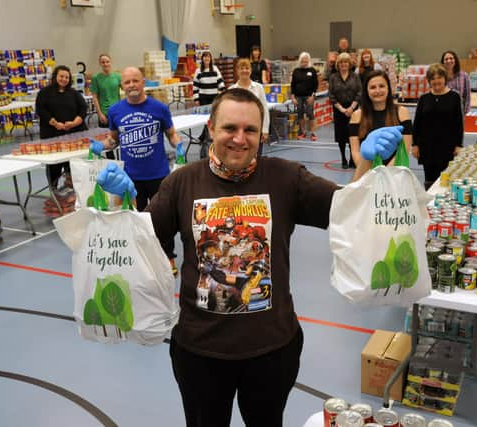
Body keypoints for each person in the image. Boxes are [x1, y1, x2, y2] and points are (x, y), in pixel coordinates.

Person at [95, 88, 404, 427]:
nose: (239, 139)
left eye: (250, 130)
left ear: (261, 134)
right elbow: (140, 242)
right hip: (200, 351)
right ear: (211, 128)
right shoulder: (181, 182)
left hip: (272, 349)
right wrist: (117, 203)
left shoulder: (286, 177)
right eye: (230, 128)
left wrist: (365, 164)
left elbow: (346, 210)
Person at [89, 67, 182, 211]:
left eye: (135, 81)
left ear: (143, 83)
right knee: (136, 221)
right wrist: (102, 145)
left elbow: (171, 134)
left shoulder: (160, 108)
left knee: (162, 219)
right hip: (130, 177)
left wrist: (179, 144)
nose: (131, 85)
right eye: (127, 82)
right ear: (122, 86)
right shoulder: (114, 111)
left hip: (158, 175)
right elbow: (114, 140)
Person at [349, 70, 413, 180]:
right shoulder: (357, 116)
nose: (377, 91)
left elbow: (405, 149)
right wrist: (370, 174)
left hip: (394, 176)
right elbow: (355, 151)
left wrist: (385, 175)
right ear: (367, 91)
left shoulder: (402, 112)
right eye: (373, 87)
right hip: (366, 176)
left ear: (388, 88)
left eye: (381, 86)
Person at [411, 64, 464, 190]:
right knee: (429, 180)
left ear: (445, 78)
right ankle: (429, 204)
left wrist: (459, 145)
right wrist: (415, 145)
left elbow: (459, 123)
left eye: (439, 77)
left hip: (447, 147)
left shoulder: (454, 97)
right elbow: (417, 123)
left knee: (445, 180)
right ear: (429, 81)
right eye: (432, 78)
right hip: (427, 147)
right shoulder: (424, 99)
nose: (436, 81)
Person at [35, 64, 87, 188]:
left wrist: (74, 123)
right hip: (52, 134)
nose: (64, 79)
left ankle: (71, 187)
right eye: (61, 76)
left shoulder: (74, 93)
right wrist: (55, 123)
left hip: (72, 134)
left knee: (73, 162)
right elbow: (41, 110)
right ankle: (53, 188)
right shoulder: (44, 93)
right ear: (55, 76)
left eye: (67, 77)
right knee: (54, 164)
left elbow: (83, 108)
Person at [329, 52, 361, 169]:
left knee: (353, 135)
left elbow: (359, 92)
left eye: (346, 62)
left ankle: (353, 159)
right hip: (339, 109)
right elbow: (331, 95)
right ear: (338, 64)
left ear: (349, 64)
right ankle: (343, 158)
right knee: (341, 136)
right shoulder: (333, 77)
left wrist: (352, 108)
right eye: (341, 62)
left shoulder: (355, 76)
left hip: (353, 110)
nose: (344, 64)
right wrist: (342, 109)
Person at [230, 58, 269, 152]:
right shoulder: (232, 89)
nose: (244, 71)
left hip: (255, 129)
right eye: (241, 68)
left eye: (247, 68)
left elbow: (264, 109)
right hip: (237, 131)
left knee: (256, 158)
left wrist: (265, 129)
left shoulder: (259, 88)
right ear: (237, 71)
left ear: (250, 70)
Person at [90, 53, 121, 159]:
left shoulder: (117, 76)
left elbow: (125, 89)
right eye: (103, 62)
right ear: (100, 63)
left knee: (120, 136)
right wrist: (100, 114)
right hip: (104, 113)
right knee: (108, 140)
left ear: (110, 62)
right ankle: (111, 162)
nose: (105, 64)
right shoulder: (96, 78)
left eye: (107, 61)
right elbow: (94, 97)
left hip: (118, 113)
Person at [290, 52, 319, 141]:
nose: (304, 61)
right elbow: (293, 85)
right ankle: (303, 132)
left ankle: (313, 133)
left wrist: (313, 96)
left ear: (308, 60)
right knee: (300, 114)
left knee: (310, 113)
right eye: (303, 60)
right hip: (298, 96)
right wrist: (293, 97)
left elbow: (316, 84)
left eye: (306, 59)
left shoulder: (312, 70)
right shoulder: (296, 71)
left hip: (309, 96)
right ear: (300, 60)